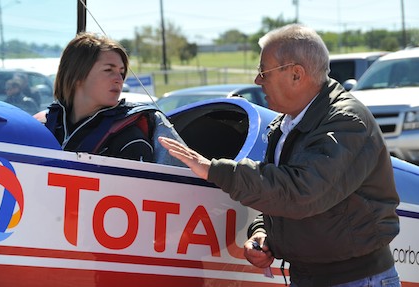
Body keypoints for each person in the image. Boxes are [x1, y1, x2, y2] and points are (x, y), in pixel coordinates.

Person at [158, 24, 400, 287]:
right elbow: (279, 196)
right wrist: (262, 233)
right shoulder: (288, 124)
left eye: (264, 72)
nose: (257, 80)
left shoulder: (346, 122)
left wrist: (213, 170)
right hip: (310, 276)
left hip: (357, 279)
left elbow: (301, 192)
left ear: (297, 74)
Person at [44, 32, 184, 165]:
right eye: (108, 70)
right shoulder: (45, 125)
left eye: (121, 72)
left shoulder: (129, 139)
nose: (119, 79)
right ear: (77, 76)